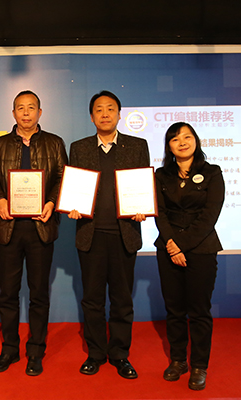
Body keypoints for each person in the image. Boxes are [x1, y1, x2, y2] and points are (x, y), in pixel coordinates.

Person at [68, 91, 149, 379]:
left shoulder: (137, 146)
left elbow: (142, 185)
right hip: (90, 234)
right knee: (92, 299)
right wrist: (72, 206)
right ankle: (95, 353)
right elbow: (74, 187)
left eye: (110, 109)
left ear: (119, 114)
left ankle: (120, 354)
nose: (105, 114)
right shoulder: (79, 148)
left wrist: (142, 208)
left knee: (122, 299)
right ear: (92, 117)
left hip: (124, 234)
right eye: (99, 109)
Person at [0, 90, 67, 376]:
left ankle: (36, 350)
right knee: (8, 294)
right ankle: (9, 348)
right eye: (20, 108)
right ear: (13, 113)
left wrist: (51, 202)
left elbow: (62, 177)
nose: (25, 112)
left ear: (40, 112)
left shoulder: (54, 143)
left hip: (40, 228)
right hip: (8, 228)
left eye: (31, 107)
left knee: (39, 293)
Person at [154, 122, 224, 391]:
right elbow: (160, 212)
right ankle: (178, 360)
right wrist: (172, 245)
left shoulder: (212, 173)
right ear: (168, 146)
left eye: (187, 136)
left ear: (196, 140)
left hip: (201, 249)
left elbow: (210, 215)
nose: (182, 142)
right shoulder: (161, 175)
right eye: (175, 139)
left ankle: (199, 365)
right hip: (168, 248)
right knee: (174, 310)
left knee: (199, 311)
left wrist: (181, 246)